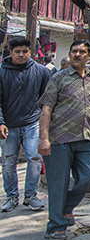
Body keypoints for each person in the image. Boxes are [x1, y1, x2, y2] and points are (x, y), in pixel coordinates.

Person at [38, 40, 90, 240]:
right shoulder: (58, 79)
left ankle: (66, 208)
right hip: (59, 139)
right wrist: (44, 139)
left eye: (82, 52)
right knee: (58, 183)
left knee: (88, 176)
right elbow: (46, 109)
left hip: (86, 138)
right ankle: (56, 226)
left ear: (89, 56)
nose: (77, 55)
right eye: (74, 51)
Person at [0, 37, 51, 213]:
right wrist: (0, 122)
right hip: (9, 124)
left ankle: (30, 195)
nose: (21, 55)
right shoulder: (1, 73)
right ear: (10, 52)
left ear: (30, 52)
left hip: (32, 122)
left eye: (25, 51)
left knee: (34, 158)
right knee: (8, 161)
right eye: (17, 52)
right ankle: (11, 196)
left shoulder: (41, 72)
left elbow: (47, 101)